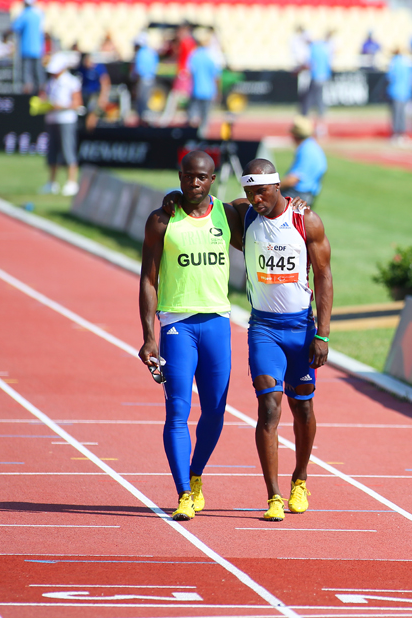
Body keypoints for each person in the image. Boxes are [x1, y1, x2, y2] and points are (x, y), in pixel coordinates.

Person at [139, 151, 244, 521]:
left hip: (217, 322)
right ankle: (183, 492)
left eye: (202, 177)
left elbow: (265, 207)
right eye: (188, 177)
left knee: (215, 412)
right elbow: (148, 280)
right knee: (177, 412)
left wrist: (294, 202)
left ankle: (196, 474)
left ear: (212, 180)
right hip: (177, 326)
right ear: (180, 177)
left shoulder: (228, 214)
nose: (194, 183)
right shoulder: (162, 220)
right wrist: (149, 336)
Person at [239, 158, 333, 521]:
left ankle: (300, 478)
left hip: (301, 328)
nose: (255, 198)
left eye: (261, 191)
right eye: (249, 191)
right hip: (263, 328)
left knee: (303, 407)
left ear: (278, 187)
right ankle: (274, 496)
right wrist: (172, 198)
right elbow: (206, 206)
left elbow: (324, 278)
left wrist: (322, 334)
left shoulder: (304, 219)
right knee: (268, 407)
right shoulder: (245, 216)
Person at [39, 53, 82, 196]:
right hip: (52, 119)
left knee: (68, 150)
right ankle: (52, 182)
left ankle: (71, 182)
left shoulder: (71, 81)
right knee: (52, 152)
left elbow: (77, 103)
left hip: (66, 119)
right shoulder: (51, 82)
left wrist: (60, 106)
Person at [283, 116, 327, 205]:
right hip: (309, 194)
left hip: (299, 194)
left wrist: (274, 188)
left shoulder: (305, 150)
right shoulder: (312, 146)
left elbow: (293, 179)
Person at [187, 34, 220, 136]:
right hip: (208, 91)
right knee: (205, 115)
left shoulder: (194, 56)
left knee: (193, 114)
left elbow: (189, 72)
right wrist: (217, 91)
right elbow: (216, 76)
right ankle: (202, 134)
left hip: (196, 89)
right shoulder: (211, 57)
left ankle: (193, 133)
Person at [12, 0, 45, 94]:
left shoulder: (25, 14)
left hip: (26, 49)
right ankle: (41, 91)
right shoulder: (39, 14)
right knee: (38, 72)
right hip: (38, 49)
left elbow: (15, 27)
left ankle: (28, 93)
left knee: (27, 74)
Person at [301, 33, 331, 137]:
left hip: (315, 78)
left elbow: (309, 64)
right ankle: (321, 129)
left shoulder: (313, 49)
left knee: (309, 103)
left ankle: (308, 127)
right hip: (323, 78)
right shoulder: (324, 49)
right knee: (320, 103)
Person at [385, 48, 412, 144]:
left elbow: (390, 76)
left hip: (395, 91)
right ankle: (402, 134)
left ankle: (396, 134)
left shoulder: (394, 62)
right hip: (405, 92)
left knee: (396, 114)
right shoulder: (408, 62)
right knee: (402, 114)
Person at [132, 32, 159, 124]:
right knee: (147, 100)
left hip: (143, 80)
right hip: (151, 79)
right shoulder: (152, 52)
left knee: (142, 101)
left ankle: (143, 121)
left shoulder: (141, 53)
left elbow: (138, 70)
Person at [78, 52, 110, 130]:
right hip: (85, 94)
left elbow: (105, 81)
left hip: (95, 94)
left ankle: (90, 132)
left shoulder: (98, 68)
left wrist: (103, 97)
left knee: (92, 112)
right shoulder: (82, 69)